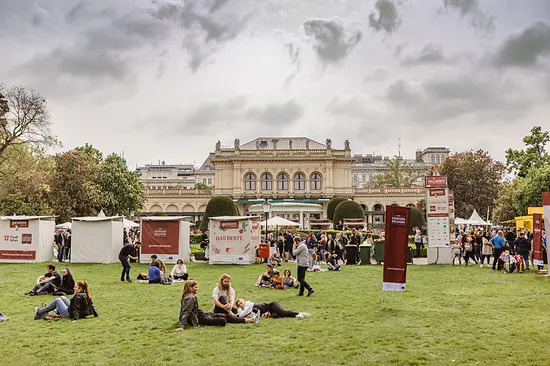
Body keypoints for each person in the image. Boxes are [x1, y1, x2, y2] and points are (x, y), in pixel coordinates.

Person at [34, 281, 99, 321]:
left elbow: (76, 308)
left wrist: (75, 319)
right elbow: (92, 306)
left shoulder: (77, 296)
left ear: (80, 289)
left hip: (69, 314)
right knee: (63, 297)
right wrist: (96, 315)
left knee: (58, 300)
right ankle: (53, 311)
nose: (74, 288)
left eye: (75, 287)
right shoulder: (87, 294)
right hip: (77, 312)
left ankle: (42, 311)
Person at [236, 298, 310, 319]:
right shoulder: (246, 311)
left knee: (282, 313)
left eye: (241, 302)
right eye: (239, 305)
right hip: (270, 312)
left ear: (244, 301)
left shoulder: (248, 304)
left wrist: (239, 309)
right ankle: (295, 315)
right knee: (276, 316)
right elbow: (242, 315)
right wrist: (239, 309)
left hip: (272, 305)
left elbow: (242, 314)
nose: (241, 305)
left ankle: (299, 313)